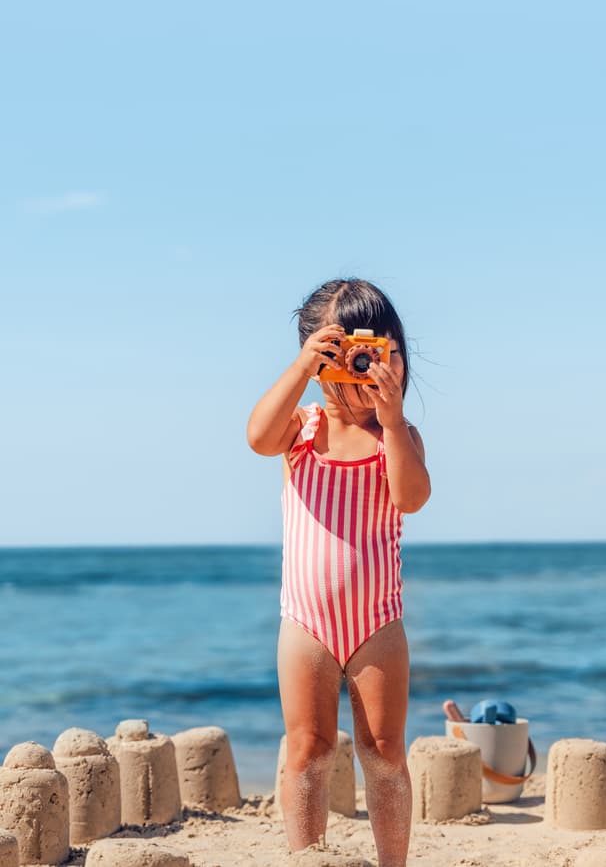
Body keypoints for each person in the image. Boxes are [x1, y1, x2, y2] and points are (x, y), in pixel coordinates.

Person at [247, 278, 431, 867]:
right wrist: (301, 369)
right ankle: (309, 859)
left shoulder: (395, 437)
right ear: (318, 355)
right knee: (307, 751)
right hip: (306, 622)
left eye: (385, 351)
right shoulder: (299, 431)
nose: (368, 364)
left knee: (383, 754)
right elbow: (256, 438)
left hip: (377, 621)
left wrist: (394, 419)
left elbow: (411, 498)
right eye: (348, 350)